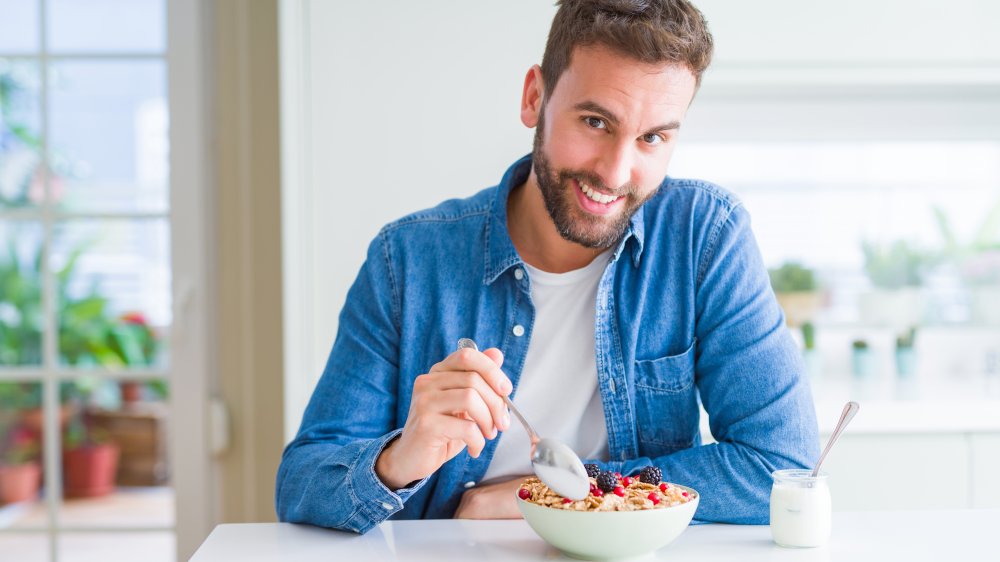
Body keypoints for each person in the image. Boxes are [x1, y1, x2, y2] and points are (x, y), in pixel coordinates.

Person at [275, 0, 818, 534]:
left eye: (652, 137)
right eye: (595, 121)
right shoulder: (408, 260)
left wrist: (550, 496)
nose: (616, 172)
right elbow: (301, 484)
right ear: (535, 97)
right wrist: (398, 458)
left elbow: (780, 463)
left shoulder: (704, 236)